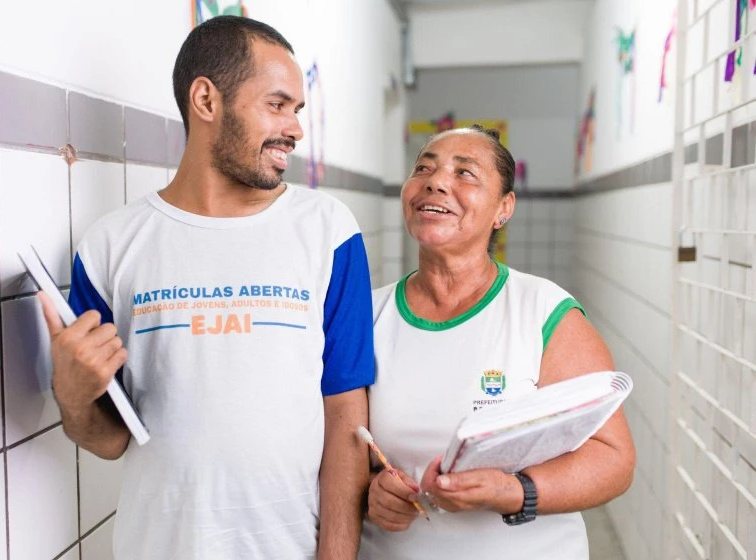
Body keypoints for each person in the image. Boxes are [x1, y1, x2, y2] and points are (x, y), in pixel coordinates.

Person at [38, 15, 374, 559]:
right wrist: (74, 398)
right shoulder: (110, 247)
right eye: (277, 105)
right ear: (206, 100)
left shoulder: (329, 231)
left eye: (297, 110)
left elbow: (345, 415)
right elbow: (110, 438)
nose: (295, 129)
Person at [359, 126, 635, 560]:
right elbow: (342, 448)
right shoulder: (367, 317)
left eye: (465, 173)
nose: (436, 181)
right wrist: (371, 492)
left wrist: (514, 491)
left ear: (503, 208)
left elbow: (613, 459)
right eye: (423, 169)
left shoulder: (544, 312)